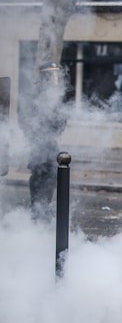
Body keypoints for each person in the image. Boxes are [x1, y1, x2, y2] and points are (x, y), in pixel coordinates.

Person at [22, 62, 69, 220]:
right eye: (53, 75)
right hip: (39, 144)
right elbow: (26, 120)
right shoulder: (37, 96)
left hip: (50, 144)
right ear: (46, 77)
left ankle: (44, 209)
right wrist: (37, 133)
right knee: (39, 177)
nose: (56, 79)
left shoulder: (55, 96)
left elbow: (60, 121)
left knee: (50, 177)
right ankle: (37, 210)